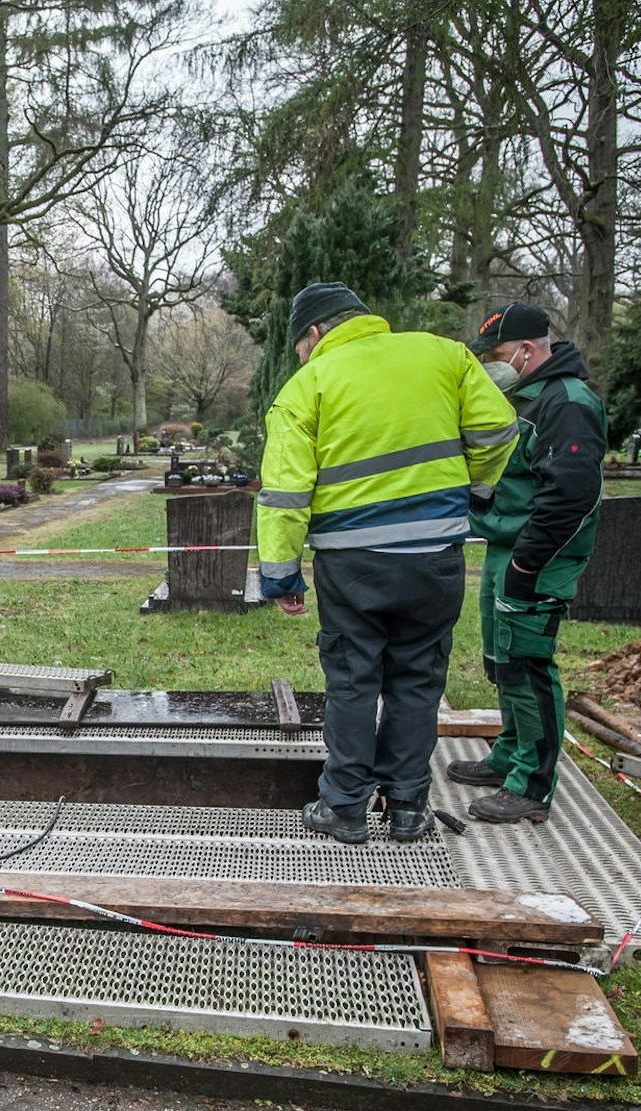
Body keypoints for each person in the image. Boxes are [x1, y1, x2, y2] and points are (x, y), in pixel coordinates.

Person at [257, 282, 519, 844]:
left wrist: (280, 574)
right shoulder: (444, 355)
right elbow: (500, 428)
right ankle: (407, 808)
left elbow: (284, 494)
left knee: (353, 679)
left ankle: (345, 808)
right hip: (435, 556)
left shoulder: (309, 386)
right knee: (418, 680)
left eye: (300, 346)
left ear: (315, 332)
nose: (301, 357)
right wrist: (475, 491)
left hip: (353, 563)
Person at [449, 302, 606, 823]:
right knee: (503, 662)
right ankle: (509, 754)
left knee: (530, 665)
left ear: (527, 349)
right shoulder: (526, 398)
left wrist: (527, 566)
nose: (493, 365)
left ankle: (532, 786)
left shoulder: (568, 403)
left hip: (538, 556)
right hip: (506, 546)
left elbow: (571, 495)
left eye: (497, 355)